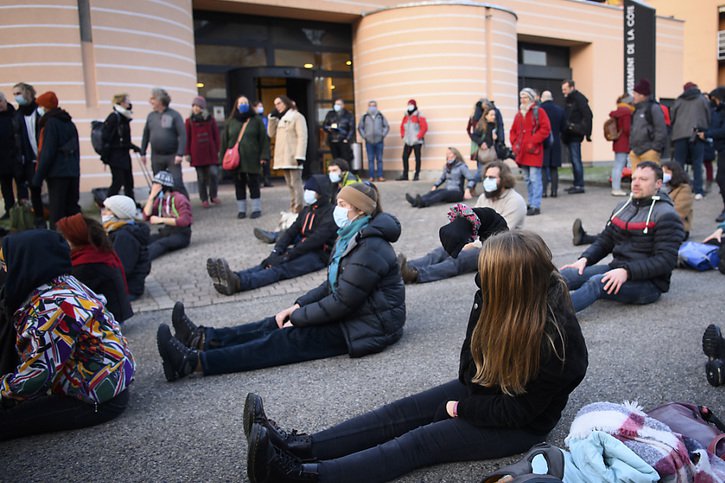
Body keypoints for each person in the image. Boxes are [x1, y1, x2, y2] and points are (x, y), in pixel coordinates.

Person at [243, 229, 588, 483]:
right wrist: (483, 300)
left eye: (486, 277)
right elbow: (469, 373)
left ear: (509, 287)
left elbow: (517, 411)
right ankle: (299, 446)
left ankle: (302, 477)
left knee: (421, 441)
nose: (479, 279)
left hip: (522, 423)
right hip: (488, 387)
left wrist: (460, 409)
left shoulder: (561, 347)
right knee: (399, 412)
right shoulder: (505, 299)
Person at [157, 182, 404, 382]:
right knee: (274, 322)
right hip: (354, 315)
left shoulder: (371, 247)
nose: (337, 210)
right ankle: (202, 338)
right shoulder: (351, 236)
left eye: (342, 205)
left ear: (359, 210)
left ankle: (192, 362)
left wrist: (298, 319)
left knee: (282, 340)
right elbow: (331, 285)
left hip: (368, 326)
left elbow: (342, 302)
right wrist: (296, 307)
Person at [0, 230, 135, 440]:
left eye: (5, 263)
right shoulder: (64, 283)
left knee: (8, 422)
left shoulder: (51, 306)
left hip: (97, 400)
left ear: (25, 261)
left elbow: (36, 376)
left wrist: (3, 390)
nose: (3, 270)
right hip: (109, 382)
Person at [560, 162, 685, 312]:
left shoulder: (667, 215)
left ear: (658, 183)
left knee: (596, 283)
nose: (636, 184)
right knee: (564, 276)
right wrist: (584, 259)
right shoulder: (623, 207)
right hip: (617, 268)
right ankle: (528, 306)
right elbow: (605, 240)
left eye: (643, 179)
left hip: (649, 284)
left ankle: (551, 318)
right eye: (634, 179)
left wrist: (627, 271)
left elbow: (666, 261)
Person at [206, 175, 336, 295]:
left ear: (321, 193)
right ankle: (233, 277)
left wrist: (287, 256)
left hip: (318, 255)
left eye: (311, 190)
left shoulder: (330, 213)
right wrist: (276, 251)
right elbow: (291, 232)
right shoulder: (307, 210)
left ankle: (240, 283)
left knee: (280, 269)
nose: (307, 193)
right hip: (302, 247)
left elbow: (315, 240)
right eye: (306, 189)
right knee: (267, 263)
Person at [399, 161, 526, 284]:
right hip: (479, 242)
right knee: (440, 251)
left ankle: (415, 275)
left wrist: (471, 245)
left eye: (492, 177)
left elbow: (502, 235)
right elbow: (473, 223)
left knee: (458, 260)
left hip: (501, 250)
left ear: (504, 180)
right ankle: (402, 268)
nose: (487, 180)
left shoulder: (515, 201)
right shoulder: (484, 197)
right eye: (486, 177)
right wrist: (464, 240)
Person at [252, 159, 359, 245]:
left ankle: (277, 236)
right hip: (331, 217)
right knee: (303, 220)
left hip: (340, 222)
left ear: (344, 171)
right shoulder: (335, 184)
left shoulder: (350, 186)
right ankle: (277, 236)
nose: (331, 174)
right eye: (330, 171)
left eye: (334, 170)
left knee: (308, 226)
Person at [56, 213, 133, 323]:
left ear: (75, 238)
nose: (62, 242)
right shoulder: (94, 252)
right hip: (115, 314)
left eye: (64, 237)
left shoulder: (87, 263)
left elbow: (74, 299)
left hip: (108, 320)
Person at [32, 91, 80, 229]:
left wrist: (38, 177)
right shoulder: (69, 122)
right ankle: (78, 238)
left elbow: (48, 152)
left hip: (57, 173)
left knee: (57, 211)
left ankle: (56, 241)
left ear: (45, 107)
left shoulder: (51, 123)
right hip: (72, 172)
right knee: (72, 209)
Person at [220, 95, 269, 219]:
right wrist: (222, 159)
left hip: (252, 158)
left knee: (254, 183)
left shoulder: (256, 120)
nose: (243, 105)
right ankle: (241, 210)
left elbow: (263, 139)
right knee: (239, 185)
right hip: (236, 160)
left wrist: (264, 156)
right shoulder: (230, 122)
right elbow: (224, 141)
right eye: (241, 103)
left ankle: (256, 209)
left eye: (245, 102)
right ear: (236, 106)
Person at [510, 88, 551, 216]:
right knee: (527, 179)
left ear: (531, 98)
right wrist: (515, 143)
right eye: (521, 97)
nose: (523, 100)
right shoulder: (519, 114)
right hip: (522, 152)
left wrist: (532, 141)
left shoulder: (539, 111)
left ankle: (536, 205)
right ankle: (531, 202)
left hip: (534, 151)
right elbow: (513, 131)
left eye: (525, 97)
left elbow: (545, 129)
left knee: (535, 178)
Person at [103, 195, 151, 301]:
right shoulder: (118, 230)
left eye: (108, 210)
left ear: (118, 213)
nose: (104, 213)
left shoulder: (124, 236)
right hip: (127, 285)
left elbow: (122, 268)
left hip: (128, 289)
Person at [11, 82, 44, 226]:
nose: (16, 97)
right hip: (29, 159)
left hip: (44, 157)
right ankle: (39, 219)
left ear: (28, 93)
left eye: (18, 93)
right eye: (14, 94)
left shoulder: (40, 111)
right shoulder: (17, 115)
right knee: (34, 189)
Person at [140, 87, 186, 189]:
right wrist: (142, 152)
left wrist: (180, 153)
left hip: (172, 156)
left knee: (177, 182)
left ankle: (183, 204)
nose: (150, 101)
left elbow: (183, 135)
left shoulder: (174, 115)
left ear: (160, 100)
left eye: (153, 99)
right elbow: (146, 135)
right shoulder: (151, 116)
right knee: (158, 183)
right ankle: (160, 204)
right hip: (156, 157)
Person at [671, 82, 710, 199]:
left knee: (679, 164)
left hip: (680, 134)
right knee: (697, 162)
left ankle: (678, 189)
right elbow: (708, 115)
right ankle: (698, 191)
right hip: (697, 133)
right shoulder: (702, 99)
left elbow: (673, 116)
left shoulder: (679, 100)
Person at [268, 95, 307, 214]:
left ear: (286, 103)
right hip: (283, 157)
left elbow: (302, 136)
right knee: (289, 184)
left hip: (293, 156)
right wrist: (271, 119)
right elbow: (270, 134)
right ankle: (293, 206)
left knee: (296, 183)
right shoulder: (280, 119)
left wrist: (300, 155)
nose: (277, 106)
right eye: (275, 104)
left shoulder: (297, 116)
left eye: (279, 103)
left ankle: (299, 208)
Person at [143, 170, 193, 261]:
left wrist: (161, 220)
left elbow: (185, 221)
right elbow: (146, 216)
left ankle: (143, 260)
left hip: (181, 234)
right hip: (167, 231)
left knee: (161, 243)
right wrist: (151, 198)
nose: (153, 188)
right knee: (145, 240)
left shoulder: (179, 199)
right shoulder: (160, 200)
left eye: (156, 185)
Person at [404, 147, 474, 208]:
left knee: (442, 194)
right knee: (435, 192)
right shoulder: (447, 166)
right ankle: (416, 201)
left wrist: (468, 190)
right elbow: (442, 178)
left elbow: (471, 179)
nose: (448, 155)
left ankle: (424, 202)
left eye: (450, 153)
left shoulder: (462, 166)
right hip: (448, 189)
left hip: (458, 193)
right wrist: (435, 186)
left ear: (455, 155)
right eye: (447, 154)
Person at [102, 93, 139, 202]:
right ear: (121, 103)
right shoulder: (114, 117)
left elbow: (124, 139)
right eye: (127, 101)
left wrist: (134, 147)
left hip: (124, 155)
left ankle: (131, 206)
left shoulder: (124, 117)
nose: (129, 103)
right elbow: (107, 137)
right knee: (118, 181)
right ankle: (108, 205)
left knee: (128, 182)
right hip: (116, 156)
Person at [185, 96, 220, 208]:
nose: (196, 108)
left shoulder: (210, 119)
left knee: (214, 173)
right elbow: (187, 138)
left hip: (210, 152)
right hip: (196, 153)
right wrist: (187, 153)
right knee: (201, 178)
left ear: (203, 108)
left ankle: (213, 195)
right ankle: (204, 199)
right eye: (194, 106)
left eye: (198, 106)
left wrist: (218, 150)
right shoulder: (189, 121)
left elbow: (216, 136)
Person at [561, 80, 592, 194]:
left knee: (576, 159)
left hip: (575, 134)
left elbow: (588, 116)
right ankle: (576, 183)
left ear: (572, 87)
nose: (563, 92)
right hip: (570, 134)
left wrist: (586, 132)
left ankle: (579, 185)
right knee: (574, 161)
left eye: (565, 89)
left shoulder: (579, 99)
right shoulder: (570, 99)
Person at [629, 79, 667, 170]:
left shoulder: (654, 108)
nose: (633, 96)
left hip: (649, 152)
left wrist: (654, 149)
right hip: (635, 152)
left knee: (651, 180)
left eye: (635, 94)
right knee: (636, 181)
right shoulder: (636, 110)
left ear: (642, 95)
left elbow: (661, 129)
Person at [540, 91, 566, 198]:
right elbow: (563, 127)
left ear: (542, 98)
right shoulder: (559, 110)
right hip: (555, 141)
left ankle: (544, 191)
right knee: (554, 168)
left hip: (542, 142)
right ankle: (554, 191)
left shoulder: (539, 110)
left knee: (543, 167)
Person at [608, 94, 635, 197]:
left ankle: (615, 187)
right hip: (624, 142)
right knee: (620, 166)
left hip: (617, 142)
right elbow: (628, 129)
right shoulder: (627, 113)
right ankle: (616, 189)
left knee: (617, 166)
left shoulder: (617, 112)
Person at [469, 105, 502, 185]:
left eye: (494, 115)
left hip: (491, 154)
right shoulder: (482, 125)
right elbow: (474, 136)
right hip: (483, 154)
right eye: (491, 115)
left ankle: (489, 191)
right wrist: (481, 143)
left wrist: (496, 138)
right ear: (486, 116)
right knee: (480, 173)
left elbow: (496, 140)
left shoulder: (494, 125)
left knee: (490, 174)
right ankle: (469, 187)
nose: (493, 117)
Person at [0, 92, 21, 218]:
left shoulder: (15, 115)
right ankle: (10, 210)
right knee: (6, 186)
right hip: (1, 159)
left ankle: (24, 210)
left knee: (21, 184)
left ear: (4, 101)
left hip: (15, 156)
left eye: (0, 102)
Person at [661, 161, 693, 240]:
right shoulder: (663, 188)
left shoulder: (684, 189)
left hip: (678, 229)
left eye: (666, 172)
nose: (664, 174)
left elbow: (679, 211)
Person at [358, 100, 389, 182]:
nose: (372, 107)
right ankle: (371, 176)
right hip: (369, 141)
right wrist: (364, 136)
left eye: (374, 105)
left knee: (379, 159)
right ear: (368, 107)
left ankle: (380, 176)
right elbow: (360, 127)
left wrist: (382, 135)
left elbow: (386, 126)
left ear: (376, 106)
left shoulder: (380, 116)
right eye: (371, 105)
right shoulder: (365, 117)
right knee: (370, 159)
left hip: (379, 141)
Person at [707, 88, 725, 222]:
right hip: (721, 149)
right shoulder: (717, 111)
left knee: (721, 179)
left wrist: (707, 134)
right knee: (720, 179)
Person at [398, 99, 427, 181]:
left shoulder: (419, 115)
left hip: (417, 141)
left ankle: (416, 175)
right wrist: (403, 135)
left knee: (417, 158)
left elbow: (424, 127)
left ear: (414, 105)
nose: (409, 106)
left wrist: (418, 136)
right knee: (404, 157)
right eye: (408, 104)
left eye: (411, 104)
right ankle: (405, 175)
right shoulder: (406, 116)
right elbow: (402, 127)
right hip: (408, 140)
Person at [322, 98, 355, 163]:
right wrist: (329, 129)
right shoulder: (330, 114)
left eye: (339, 104)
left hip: (343, 140)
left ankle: (345, 172)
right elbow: (325, 125)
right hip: (333, 139)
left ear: (343, 105)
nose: (336, 106)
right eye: (336, 104)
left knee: (345, 159)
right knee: (336, 159)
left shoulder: (348, 114)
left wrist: (347, 139)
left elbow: (351, 128)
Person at [253, 100, 273, 187]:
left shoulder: (265, 118)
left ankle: (266, 179)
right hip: (256, 142)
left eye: (261, 106)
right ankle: (257, 180)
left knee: (266, 162)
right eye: (258, 106)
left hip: (265, 141)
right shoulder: (253, 119)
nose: (261, 108)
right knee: (256, 162)